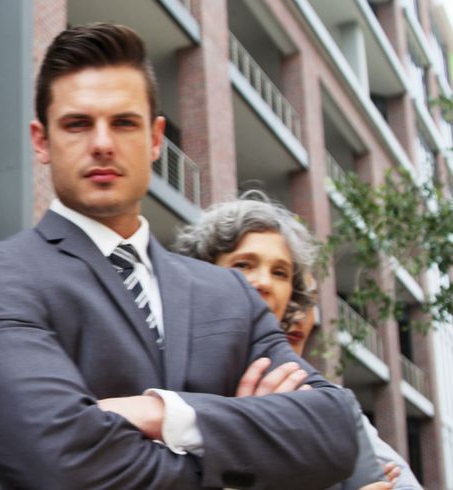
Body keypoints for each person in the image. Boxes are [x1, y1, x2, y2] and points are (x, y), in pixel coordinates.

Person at [0, 23, 360, 489]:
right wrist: (246, 449)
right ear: (41, 141)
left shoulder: (228, 292)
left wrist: (162, 412)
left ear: (156, 138)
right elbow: (59, 466)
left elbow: (335, 431)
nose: (102, 143)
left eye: (124, 122)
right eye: (78, 124)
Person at [174, 192, 422, 490]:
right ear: (202, 274)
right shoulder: (167, 380)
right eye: (243, 265)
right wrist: (245, 431)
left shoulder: (325, 403)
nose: (264, 282)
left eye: (280, 273)